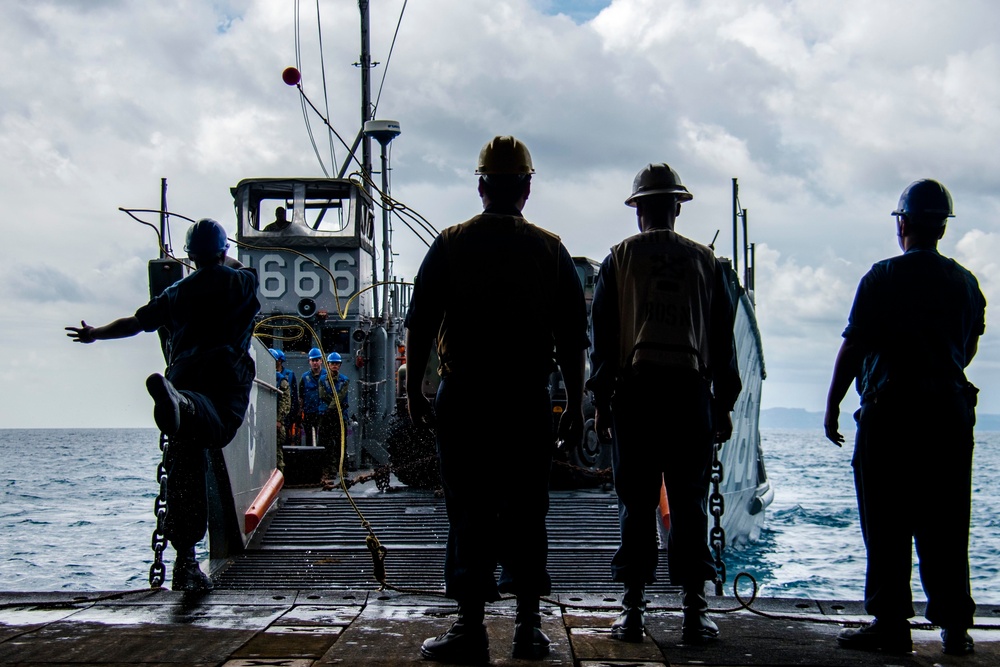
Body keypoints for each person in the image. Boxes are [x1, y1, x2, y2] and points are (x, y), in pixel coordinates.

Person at [405, 135, 589, 663]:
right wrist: (575, 404)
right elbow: (573, 337)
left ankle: (470, 628)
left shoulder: (451, 243)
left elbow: (421, 323)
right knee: (528, 508)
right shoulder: (551, 250)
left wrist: (416, 387)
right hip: (526, 399)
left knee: (470, 508)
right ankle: (529, 629)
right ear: (527, 188)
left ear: (481, 185)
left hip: (465, 398)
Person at [824, 179, 983, 657]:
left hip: (890, 414)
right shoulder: (965, 283)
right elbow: (967, 349)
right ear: (942, 227)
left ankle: (892, 622)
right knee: (947, 522)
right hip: (949, 415)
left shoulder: (882, 277)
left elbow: (854, 345)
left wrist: (833, 403)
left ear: (903, 223)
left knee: (887, 520)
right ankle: (955, 627)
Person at [588, 163, 741, 644]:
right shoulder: (706, 262)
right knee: (691, 504)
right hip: (689, 393)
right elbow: (723, 340)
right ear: (676, 207)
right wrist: (724, 404)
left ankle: (632, 612)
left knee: (635, 504)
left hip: (636, 394)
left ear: (639, 210)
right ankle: (695, 613)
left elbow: (604, 339)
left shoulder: (619, 260)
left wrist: (599, 399)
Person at [66, 218, 261, 592]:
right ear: (222, 250)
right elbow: (237, 268)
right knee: (216, 425)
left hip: (184, 372)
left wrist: (95, 334)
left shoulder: (177, 292)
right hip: (225, 377)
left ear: (191, 256)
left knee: (185, 464)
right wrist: (226, 259)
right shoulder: (242, 281)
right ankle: (184, 405)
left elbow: (135, 323)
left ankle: (185, 562)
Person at [321, 351, 350, 476]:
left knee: (341, 443)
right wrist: (332, 407)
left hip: (340, 415)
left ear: (340, 365)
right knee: (326, 442)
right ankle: (327, 468)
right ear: (328, 365)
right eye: (332, 363)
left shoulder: (344, 381)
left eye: (336, 364)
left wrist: (331, 407)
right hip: (327, 415)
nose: (334, 366)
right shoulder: (323, 380)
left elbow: (341, 396)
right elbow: (322, 395)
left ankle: (342, 467)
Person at [299, 347, 332, 449]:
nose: (315, 363)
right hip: (309, 411)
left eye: (317, 360)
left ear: (321, 361)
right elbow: (301, 395)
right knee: (309, 437)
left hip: (323, 412)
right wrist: (301, 410)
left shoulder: (328, 376)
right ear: (309, 361)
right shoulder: (305, 377)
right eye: (312, 360)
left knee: (323, 437)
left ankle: (323, 461)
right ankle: (310, 460)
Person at [272, 348, 299, 448]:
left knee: (285, 439)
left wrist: (293, 413)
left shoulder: (289, 375)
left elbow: (293, 396)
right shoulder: (268, 373)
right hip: (273, 411)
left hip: (285, 412)